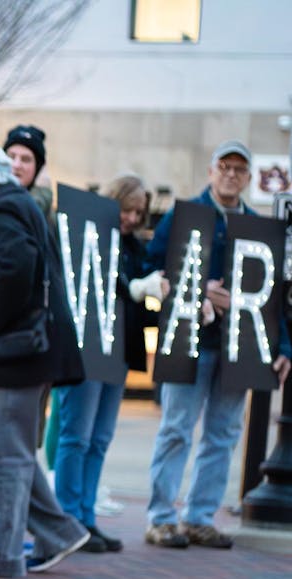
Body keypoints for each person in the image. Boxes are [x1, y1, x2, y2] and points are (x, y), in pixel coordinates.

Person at [0, 142, 89, 578]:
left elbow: (14, 269)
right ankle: (59, 533)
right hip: (30, 350)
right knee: (9, 450)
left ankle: (0, 553)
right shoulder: (18, 203)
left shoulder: (1, 209)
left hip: (16, 354)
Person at [145, 140, 290, 549]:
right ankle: (160, 518)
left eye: (239, 169)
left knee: (223, 432)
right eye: (224, 166)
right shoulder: (183, 215)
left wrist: (284, 347)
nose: (231, 174)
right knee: (176, 428)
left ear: (248, 177)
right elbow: (152, 268)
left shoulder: (259, 228)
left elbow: (276, 294)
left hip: (240, 346)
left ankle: (199, 516)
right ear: (211, 171)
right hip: (190, 339)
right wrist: (197, 290)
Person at [54, 174, 163, 553]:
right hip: (86, 348)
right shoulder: (89, 238)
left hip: (118, 350)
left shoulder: (133, 246)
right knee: (76, 436)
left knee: (98, 439)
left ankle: (86, 516)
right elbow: (110, 283)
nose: (132, 218)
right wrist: (134, 288)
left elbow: (133, 297)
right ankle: (68, 518)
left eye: (139, 212)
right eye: (128, 209)